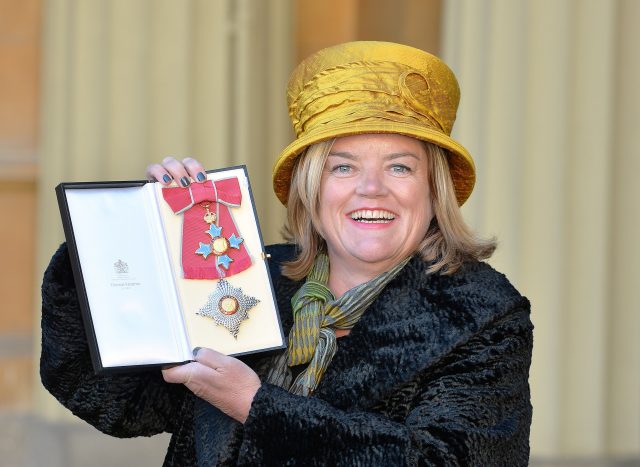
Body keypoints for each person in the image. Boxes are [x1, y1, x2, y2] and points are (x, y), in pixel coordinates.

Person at [41, 41, 532, 466]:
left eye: (400, 167)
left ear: (434, 189)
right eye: (342, 168)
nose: (371, 189)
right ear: (312, 190)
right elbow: (116, 401)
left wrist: (257, 406)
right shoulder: (250, 277)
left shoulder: (480, 310)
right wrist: (133, 231)